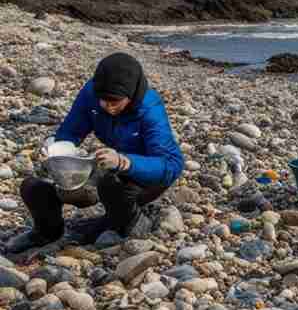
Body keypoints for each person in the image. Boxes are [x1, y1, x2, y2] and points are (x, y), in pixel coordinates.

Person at [6, 53, 184, 254]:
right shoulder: (91, 93)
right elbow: (70, 132)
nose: (109, 107)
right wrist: (55, 151)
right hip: (113, 165)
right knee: (33, 187)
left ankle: (133, 223)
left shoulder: (150, 108)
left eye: (115, 102)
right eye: (104, 101)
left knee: (109, 185)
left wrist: (125, 162)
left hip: (149, 174)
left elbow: (171, 165)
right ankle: (46, 232)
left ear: (131, 95)